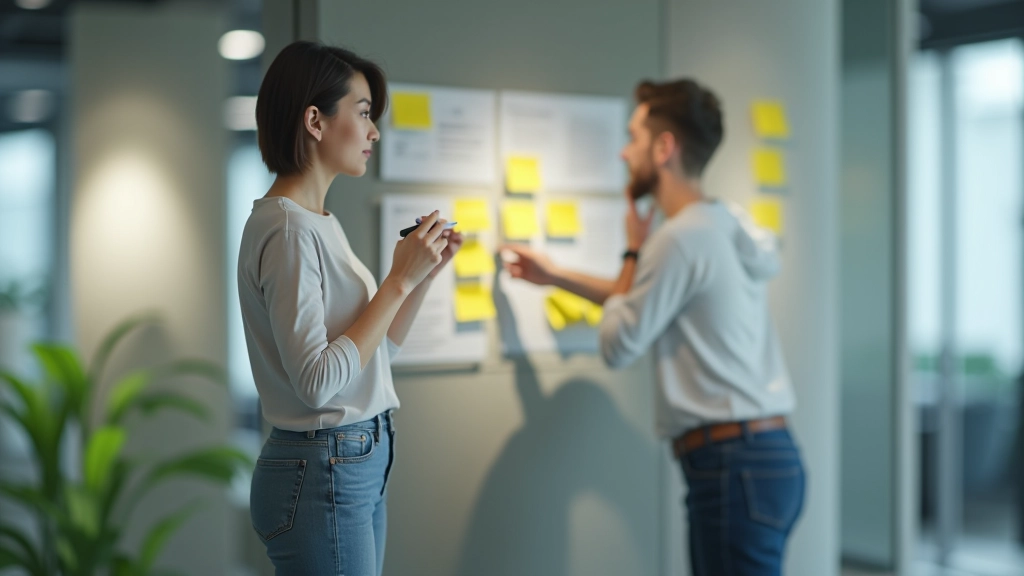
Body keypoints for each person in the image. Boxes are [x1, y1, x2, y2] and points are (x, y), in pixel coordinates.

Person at [502, 79, 805, 576]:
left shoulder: (678, 240)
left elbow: (619, 343)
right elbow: (647, 302)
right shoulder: (721, 223)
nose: (625, 153)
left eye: (634, 137)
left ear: (664, 148)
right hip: (766, 457)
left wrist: (633, 249)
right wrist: (555, 276)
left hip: (732, 464)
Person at [237, 41, 462, 576]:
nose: (374, 132)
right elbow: (317, 382)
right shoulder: (290, 229)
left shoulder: (317, 222)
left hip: (350, 462)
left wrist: (417, 277)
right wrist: (396, 280)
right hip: (325, 468)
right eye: (363, 113)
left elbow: (375, 349)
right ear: (315, 120)